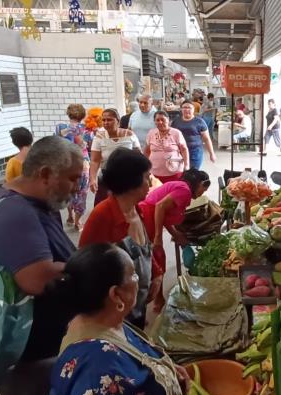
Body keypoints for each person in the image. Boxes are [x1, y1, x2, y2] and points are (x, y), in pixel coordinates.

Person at [0, 136, 83, 395]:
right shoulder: (14, 212)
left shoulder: (37, 204)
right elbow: (35, 278)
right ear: (46, 174)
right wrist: (87, 265)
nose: (76, 187)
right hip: (29, 356)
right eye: (73, 179)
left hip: (46, 349)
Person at [47, 243, 191, 395]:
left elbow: (130, 369)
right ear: (115, 294)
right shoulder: (98, 369)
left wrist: (165, 373)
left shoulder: (99, 320)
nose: (138, 278)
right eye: (133, 274)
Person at [79, 148, 157, 327]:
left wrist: (157, 274)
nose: (150, 182)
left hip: (138, 303)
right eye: (146, 177)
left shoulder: (139, 210)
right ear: (131, 182)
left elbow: (146, 250)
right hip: (114, 314)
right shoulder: (102, 215)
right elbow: (84, 267)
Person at [138, 169, 210, 311]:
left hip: (148, 217)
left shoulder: (181, 187)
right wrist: (158, 237)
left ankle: (154, 300)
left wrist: (176, 234)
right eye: (204, 188)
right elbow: (159, 207)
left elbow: (164, 213)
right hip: (147, 218)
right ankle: (154, 301)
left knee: (154, 259)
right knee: (156, 258)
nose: (203, 193)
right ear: (200, 183)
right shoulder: (185, 191)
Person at [89, 108, 141, 206]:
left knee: (127, 206)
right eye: (103, 120)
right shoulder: (99, 137)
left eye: (109, 119)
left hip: (127, 178)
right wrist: (92, 179)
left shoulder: (129, 134)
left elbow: (139, 156)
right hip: (106, 178)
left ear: (118, 121)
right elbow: (95, 161)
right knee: (104, 207)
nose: (106, 123)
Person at [55, 104, 90, 231]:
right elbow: (89, 144)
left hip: (66, 162)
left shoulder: (60, 127)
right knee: (82, 192)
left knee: (69, 190)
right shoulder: (87, 129)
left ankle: (69, 215)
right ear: (83, 115)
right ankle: (77, 221)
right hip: (82, 162)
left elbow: (56, 142)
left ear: (68, 114)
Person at [144, 111, 188, 183]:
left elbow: (184, 149)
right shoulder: (151, 133)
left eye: (163, 120)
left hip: (174, 172)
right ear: (154, 122)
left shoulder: (176, 133)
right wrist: (144, 167)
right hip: (154, 172)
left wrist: (186, 166)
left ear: (168, 120)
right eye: (157, 120)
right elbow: (147, 150)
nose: (160, 122)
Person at [171, 100, 216, 170]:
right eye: (184, 107)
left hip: (195, 153)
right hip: (179, 153)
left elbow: (207, 139)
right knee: (181, 173)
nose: (186, 110)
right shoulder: (176, 121)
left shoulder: (200, 121)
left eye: (189, 108)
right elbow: (171, 136)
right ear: (181, 109)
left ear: (193, 109)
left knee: (193, 174)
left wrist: (211, 153)